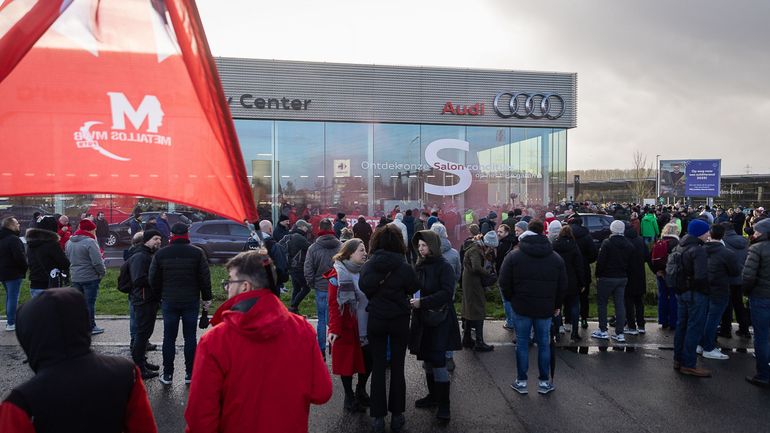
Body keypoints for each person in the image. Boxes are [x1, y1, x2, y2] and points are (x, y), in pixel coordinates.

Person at [185, 251, 333, 432]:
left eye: (230, 281)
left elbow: (200, 417)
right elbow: (321, 392)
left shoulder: (215, 340)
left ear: (245, 286)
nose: (227, 287)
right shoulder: (303, 330)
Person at [0, 288, 157, 433]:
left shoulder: (20, 403)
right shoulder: (126, 373)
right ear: (83, 322)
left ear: (27, 335)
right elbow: (144, 428)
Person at [359, 225, 417, 433]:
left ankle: (377, 417)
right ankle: (397, 415)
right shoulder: (404, 266)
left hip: (377, 317)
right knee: (398, 367)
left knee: (378, 366)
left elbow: (364, 286)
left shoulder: (369, 265)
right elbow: (413, 287)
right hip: (400, 318)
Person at [499, 219, 566, 395]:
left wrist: (511, 299)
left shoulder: (514, 256)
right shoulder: (555, 258)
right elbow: (562, 285)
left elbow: (504, 282)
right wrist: (557, 305)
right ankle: (544, 383)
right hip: (546, 308)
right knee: (544, 343)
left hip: (521, 307)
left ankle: (521, 381)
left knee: (522, 343)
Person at [408, 230, 462, 423]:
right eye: (419, 246)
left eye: (424, 245)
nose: (421, 249)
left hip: (439, 320)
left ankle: (444, 404)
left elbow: (447, 293)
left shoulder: (443, 266)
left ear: (433, 245)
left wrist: (423, 302)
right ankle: (433, 397)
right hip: (423, 320)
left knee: (438, 361)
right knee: (428, 361)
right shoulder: (420, 265)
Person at [149, 223, 212, 385]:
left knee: (169, 338)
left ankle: (168, 374)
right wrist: (206, 298)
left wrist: (159, 296)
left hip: (169, 300)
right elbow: (205, 279)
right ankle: (190, 373)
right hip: (191, 300)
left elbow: (153, 279)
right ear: (187, 234)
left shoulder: (161, 254)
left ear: (171, 234)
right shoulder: (197, 253)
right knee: (190, 337)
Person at [325, 239, 371, 413]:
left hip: (367, 325)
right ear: (349, 253)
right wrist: (334, 329)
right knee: (347, 364)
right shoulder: (338, 274)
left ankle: (361, 390)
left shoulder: (365, 271)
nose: (365, 253)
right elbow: (333, 305)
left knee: (368, 362)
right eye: (361, 250)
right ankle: (349, 396)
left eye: (365, 249)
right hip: (347, 327)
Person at [673, 219, 712, 377]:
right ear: (699, 233)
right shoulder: (698, 250)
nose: (709, 234)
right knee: (694, 328)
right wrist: (706, 291)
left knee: (681, 326)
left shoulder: (680, 246)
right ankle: (689, 364)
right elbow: (701, 276)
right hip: (695, 293)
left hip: (681, 291)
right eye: (706, 231)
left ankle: (678, 359)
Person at [698, 223, 740, 360]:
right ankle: (708, 347)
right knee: (713, 320)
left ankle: (700, 344)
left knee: (704, 318)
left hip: (704, 288)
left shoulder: (701, 250)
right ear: (723, 235)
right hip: (720, 290)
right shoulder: (727, 253)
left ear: (710, 234)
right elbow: (735, 271)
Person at [126, 230, 163, 379]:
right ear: (146, 240)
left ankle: (142, 362)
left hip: (148, 299)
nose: (158, 241)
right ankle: (139, 368)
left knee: (144, 334)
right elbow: (138, 279)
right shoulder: (141, 256)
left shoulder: (147, 254)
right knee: (141, 335)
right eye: (155, 239)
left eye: (160, 239)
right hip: (143, 299)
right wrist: (157, 278)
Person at [304, 218, 341, 356]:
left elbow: (308, 269)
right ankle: (335, 348)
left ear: (319, 229)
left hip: (321, 287)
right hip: (337, 287)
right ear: (332, 227)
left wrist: (312, 283)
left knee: (321, 319)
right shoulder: (340, 246)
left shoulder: (313, 248)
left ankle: (321, 351)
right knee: (335, 318)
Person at [592, 220, 633, 342]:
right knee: (620, 305)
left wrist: (598, 275)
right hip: (622, 277)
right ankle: (620, 333)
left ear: (612, 229)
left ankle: (603, 330)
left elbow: (601, 261)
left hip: (607, 277)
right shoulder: (629, 245)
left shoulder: (607, 243)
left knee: (602, 303)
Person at [65, 219, 106, 335]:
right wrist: (102, 272)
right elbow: (97, 262)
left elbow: (68, 257)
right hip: (90, 277)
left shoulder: (70, 242)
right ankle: (90, 327)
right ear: (90, 230)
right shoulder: (90, 242)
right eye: (94, 230)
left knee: (78, 303)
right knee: (89, 303)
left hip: (75, 277)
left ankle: (79, 326)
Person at [742, 218, 770, 387]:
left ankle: (763, 374)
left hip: (760, 297)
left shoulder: (757, 249)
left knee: (761, 337)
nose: (754, 233)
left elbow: (748, 276)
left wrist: (746, 292)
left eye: (757, 231)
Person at [430, 223, 461, 371]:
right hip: (449, 295)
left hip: (430, 297)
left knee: (430, 325)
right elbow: (458, 274)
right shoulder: (454, 253)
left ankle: (431, 356)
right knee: (448, 326)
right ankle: (449, 357)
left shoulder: (426, 253)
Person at [461, 230, 498, 352]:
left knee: (469, 309)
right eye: (491, 248)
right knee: (478, 309)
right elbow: (476, 267)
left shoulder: (475, 247)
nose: (491, 251)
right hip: (473, 283)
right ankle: (479, 342)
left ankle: (467, 339)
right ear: (487, 244)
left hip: (470, 281)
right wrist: (488, 274)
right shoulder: (475, 250)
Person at [551, 225, 584, 340]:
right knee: (574, 306)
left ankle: (558, 329)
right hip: (572, 280)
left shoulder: (554, 245)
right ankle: (574, 331)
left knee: (556, 306)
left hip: (557, 280)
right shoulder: (574, 246)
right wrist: (582, 282)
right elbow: (579, 266)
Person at [720, 222, 751, 338]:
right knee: (738, 303)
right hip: (741, 276)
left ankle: (726, 329)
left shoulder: (723, 242)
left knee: (727, 305)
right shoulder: (744, 241)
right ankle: (744, 328)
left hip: (727, 277)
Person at [568, 216, 597, 330]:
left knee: (569, 297)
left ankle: (569, 319)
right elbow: (593, 254)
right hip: (584, 269)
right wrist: (586, 261)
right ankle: (584, 318)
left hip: (569, 269)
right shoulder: (587, 236)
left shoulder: (568, 236)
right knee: (584, 297)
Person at [25, 226, 70, 299]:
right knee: (52, 309)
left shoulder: (31, 244)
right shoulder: (52, 244)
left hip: (35, 283)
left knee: (37, 309)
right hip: (50, 283)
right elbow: (65, 263)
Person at [0, 217, 27, 331]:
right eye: (16, 223)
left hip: (3, 272)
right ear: (10, 225)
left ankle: (10, 321)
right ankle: (11, 322)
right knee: (13, 297)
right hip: (13, 272)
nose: (19, 224)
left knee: (9, 297)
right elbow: (19, 257)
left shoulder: (2, 238)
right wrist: (24, 267)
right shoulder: (13, 239)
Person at [653, 223, 681, 330]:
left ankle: (663, 320)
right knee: (674, 297)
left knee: (663, 296)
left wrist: (656, 271)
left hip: (660, 273)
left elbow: (652, 259)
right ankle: (673, 321)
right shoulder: (677, 243)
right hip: (673, 274)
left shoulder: (659, 242)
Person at [623, 221, 649, 335]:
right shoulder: (640, 240)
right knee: (639, 301)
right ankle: (641, 325)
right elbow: (647, 256)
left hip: (627, 274)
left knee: (628, 302)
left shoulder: (624, 241)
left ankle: (631, 326)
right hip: (640, 273)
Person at [285, 220, 313, 314]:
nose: (307, 228)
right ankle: (293, 306)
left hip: (292, 267)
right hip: (298, 267)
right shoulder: (299, 237)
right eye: (306, 227)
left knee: (296, 288)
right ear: (300, 227)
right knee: (306, 288)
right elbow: (310, 248)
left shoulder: (291, 235)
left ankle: (293, 311)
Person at [495, 224, 516, 331]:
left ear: (507, 233)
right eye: (498, 231)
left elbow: (499, 261)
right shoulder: (514, 242)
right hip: (514, 275)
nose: (498, 233)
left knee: (506, 300)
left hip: (504, 275)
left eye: (501, 232)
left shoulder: (504, 244)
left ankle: (510, 322)